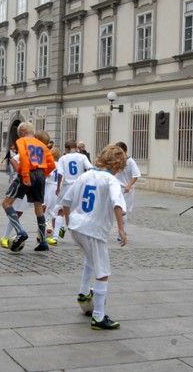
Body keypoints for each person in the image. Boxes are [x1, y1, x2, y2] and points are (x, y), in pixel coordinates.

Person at [61, 144, 128, 330]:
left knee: (90, 260)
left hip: (77, 226)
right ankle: (98, 316)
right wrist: (122, 230)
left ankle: (84, 292)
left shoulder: (85, 175)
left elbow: (66, 201)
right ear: (117, 164)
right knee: (103, 272)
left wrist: (69, 221)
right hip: (94, 230)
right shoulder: (111, 180)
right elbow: (117, 204)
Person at [2, 122, 56, 252]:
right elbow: (51, 163)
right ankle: (43, 242)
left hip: (28, 173)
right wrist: (44, 174)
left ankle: (20, 231)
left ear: (21, 132)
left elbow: (25, 159)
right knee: (38, 207)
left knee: (6, 203)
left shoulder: (22, 141)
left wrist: (25, 176)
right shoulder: (42, 145)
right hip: (40, 174)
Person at [55, 140, 93, 241]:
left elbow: (60, 174)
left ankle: (56, 235)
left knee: (61, 211)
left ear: (66, 149)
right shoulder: (82, 157)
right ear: (76, 147)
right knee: (79, 210)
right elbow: (90, 168)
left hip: (67, 187)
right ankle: (81, 233)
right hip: (79, 186)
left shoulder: (63, 158)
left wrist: (58, 187)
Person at [114, 142, 141, 236]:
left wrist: (129, 185)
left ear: (124, 151)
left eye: (119, 152)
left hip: (127, 190)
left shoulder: (130, 161)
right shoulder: (116, 160)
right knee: (115, 209)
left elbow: (136, 175)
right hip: (116, 188)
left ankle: (122, 232)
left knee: (123, 212)